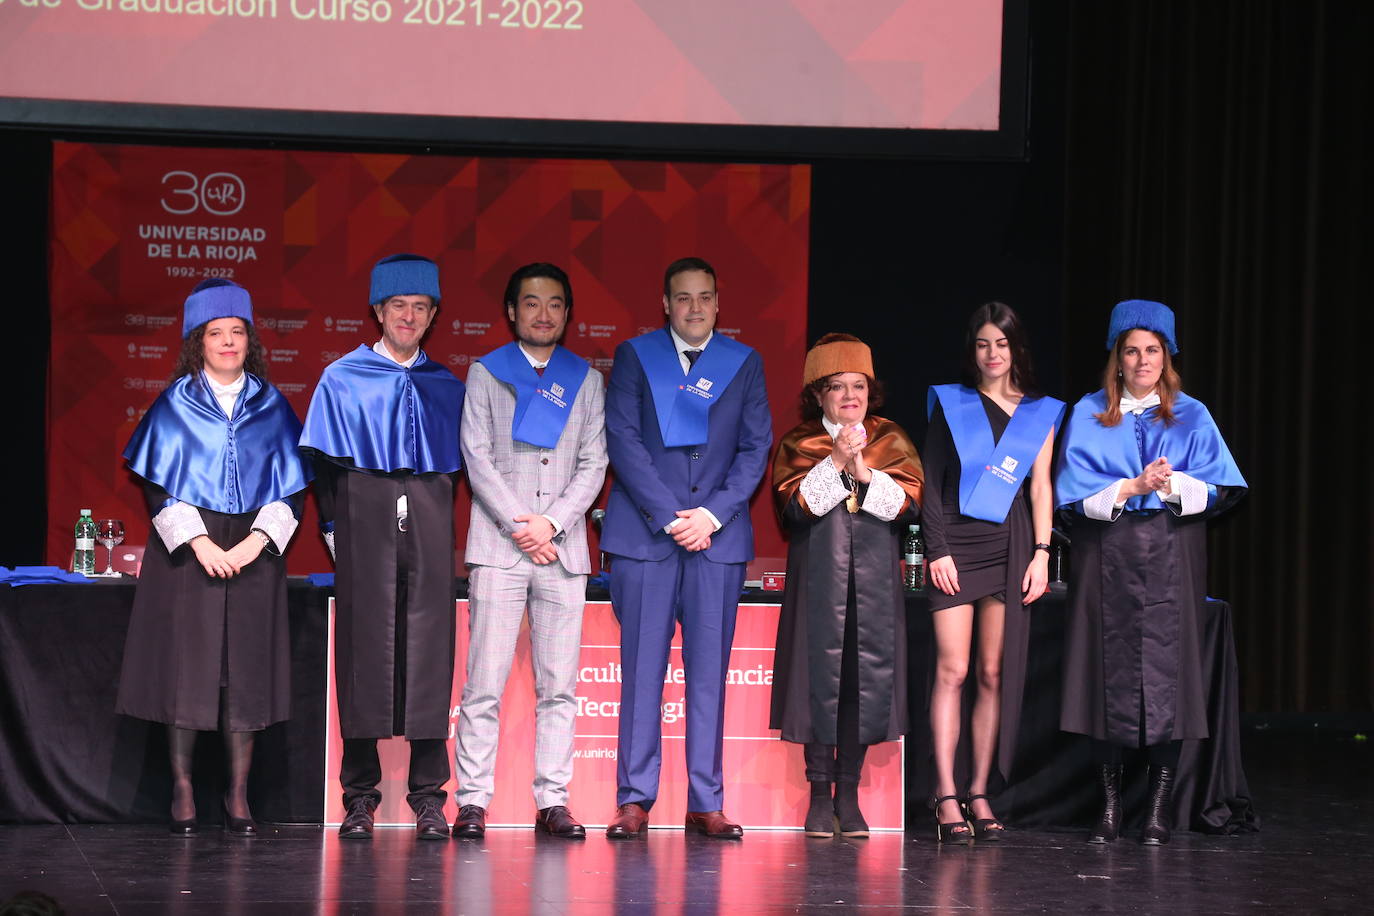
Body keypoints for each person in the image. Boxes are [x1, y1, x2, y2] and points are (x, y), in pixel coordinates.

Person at [117, 279, 312, 837]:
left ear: (250, 341)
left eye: (237, 332)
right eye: (215, 333)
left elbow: (291, 489)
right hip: (187, 551)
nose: (227, 342)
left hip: (254, 547)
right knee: (186, 668)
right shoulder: (175, 404)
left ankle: (239, 792)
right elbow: (158, 486)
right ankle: (181, 790)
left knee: (246, 672)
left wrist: (254, 543)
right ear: (197, 342)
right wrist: (200, 543)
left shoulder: (273, 406)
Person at [1056, 299, 1246, 845]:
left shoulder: (1193, 414)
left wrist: (1173, 485)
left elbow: (1223, 490)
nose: (1143, 361)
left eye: (1153, 351)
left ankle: (1158, 810)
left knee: (1170, 681)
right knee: (1102, 677)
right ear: (1117, 359)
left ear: (1167, 357)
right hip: (1105, 557)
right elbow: (1070, 499)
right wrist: (1131, 488)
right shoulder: (1089, 412)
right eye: (1132, 351)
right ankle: (1110, 809)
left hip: (1171, 555)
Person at [600, 257, 772, 839]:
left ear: (719, 303)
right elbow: (621, 439)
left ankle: (706, 800)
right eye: (683, 298)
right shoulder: (633, 355)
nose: (694, 308)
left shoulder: (743, 364)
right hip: (647, 536)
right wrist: (671, 516)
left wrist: (711, 515)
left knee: (707, 676)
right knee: (642, 671)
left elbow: (755, 450)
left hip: (715, 539)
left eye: (704, 297)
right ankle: (634, 799)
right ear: (665, 303)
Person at [299, 254, 466, 841]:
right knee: (363, 648)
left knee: (429, 651)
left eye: (421, 308)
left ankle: (428, 797)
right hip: (363, 521)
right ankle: (360, 796)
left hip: (428, 522)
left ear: (433, 315)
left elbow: (457, 468)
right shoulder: (343, 378)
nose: (410, 317)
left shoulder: (445, 385)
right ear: (378, 310)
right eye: (399, 307)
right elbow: (321, 469)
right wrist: (335, 531)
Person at [450, 263, 608, 840]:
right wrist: (523, 526)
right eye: (532, 304)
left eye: (556, 304)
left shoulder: (586, 381)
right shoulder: (487, 373)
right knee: (482, 685)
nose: (544, 314)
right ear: (512, 311)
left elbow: (595, 463)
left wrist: (553, 524)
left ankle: (553, 800)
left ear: (567, 314)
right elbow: (477, 456)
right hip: (499, 549)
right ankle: (471, 801)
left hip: (562, 553)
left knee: (559, 687)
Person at [769, 334, 924, 838]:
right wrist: (835, 461)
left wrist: (863, 469)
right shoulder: (800, 441)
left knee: (862, 682)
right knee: (820, 682)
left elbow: (908, 508)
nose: (850, 396)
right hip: (819, 582)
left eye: (858, 386)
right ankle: (819, 796)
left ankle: (849, 796)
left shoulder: (892, 439)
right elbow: (793, 510)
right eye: (837, 387)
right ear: (819, 394)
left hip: (876, 583)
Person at [922, 302, 1063, 844]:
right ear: (972, 351)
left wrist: (1041, 552)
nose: (992, 353)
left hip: (1011, 545)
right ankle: (946, 795)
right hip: (955, 545)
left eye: (1001, 344)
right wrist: (937, 550)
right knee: (952, 671)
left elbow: (1041, 486)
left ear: (1015, 348)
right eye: (983, 344)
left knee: (990, 674)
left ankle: (979, 792)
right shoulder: (952, 405)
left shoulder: (1039, 414)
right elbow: (931, 484)